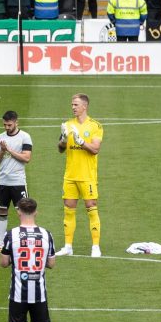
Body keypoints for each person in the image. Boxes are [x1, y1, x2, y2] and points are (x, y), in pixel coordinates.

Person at [0, 197, 56, 322]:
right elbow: (52, 264)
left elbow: (3, 263)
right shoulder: (46, 234)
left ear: (18, 212)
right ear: (36, 212)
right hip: (39, 292)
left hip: (18, 293)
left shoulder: (11, 235)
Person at [57, 94, 104, 257]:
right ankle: (68, 246)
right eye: (72, 104)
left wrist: (81, 142)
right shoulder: (68, 125)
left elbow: (95, 149)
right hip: (70, 175)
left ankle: (95, 247)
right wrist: (63, 139)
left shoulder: (95, 126)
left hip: (87, 176)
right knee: (69, 209)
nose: (73, 107)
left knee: (91, 208)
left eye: (76, 104)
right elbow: (60, 149)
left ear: (85, 106)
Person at [0, 111, 33, 252]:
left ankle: (25, 241)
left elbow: (26, 158)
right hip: (2, 181)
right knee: (1, 210)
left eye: (9, 125)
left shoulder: (25, 137)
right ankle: (0, 242)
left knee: (24, 211)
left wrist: (9, 149)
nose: (7, 127)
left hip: (18, 181)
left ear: (16, 122)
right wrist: (2, 151)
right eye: (4, 125)